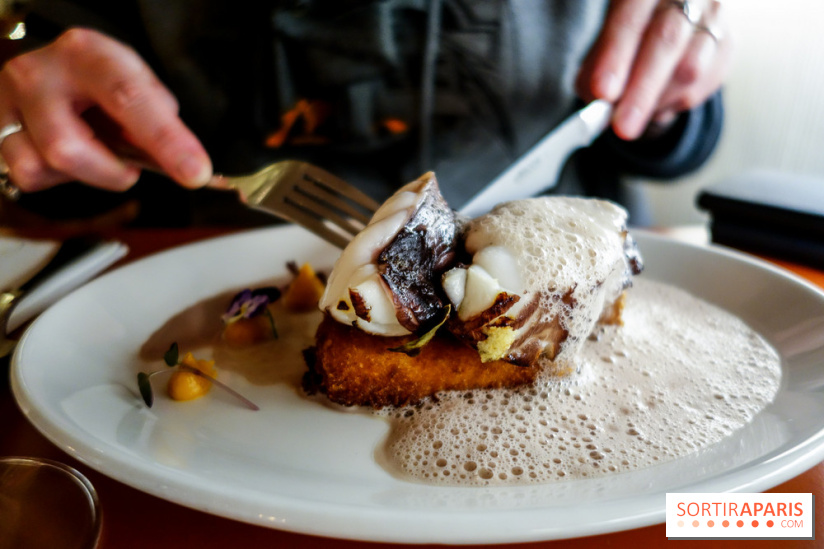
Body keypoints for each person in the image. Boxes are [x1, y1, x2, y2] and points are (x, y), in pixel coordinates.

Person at [0, 0, 731, 226]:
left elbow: (675, 136)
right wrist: (26, 120)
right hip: (211, 340)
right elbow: (42, 66)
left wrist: (663, 102)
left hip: (585, 295)